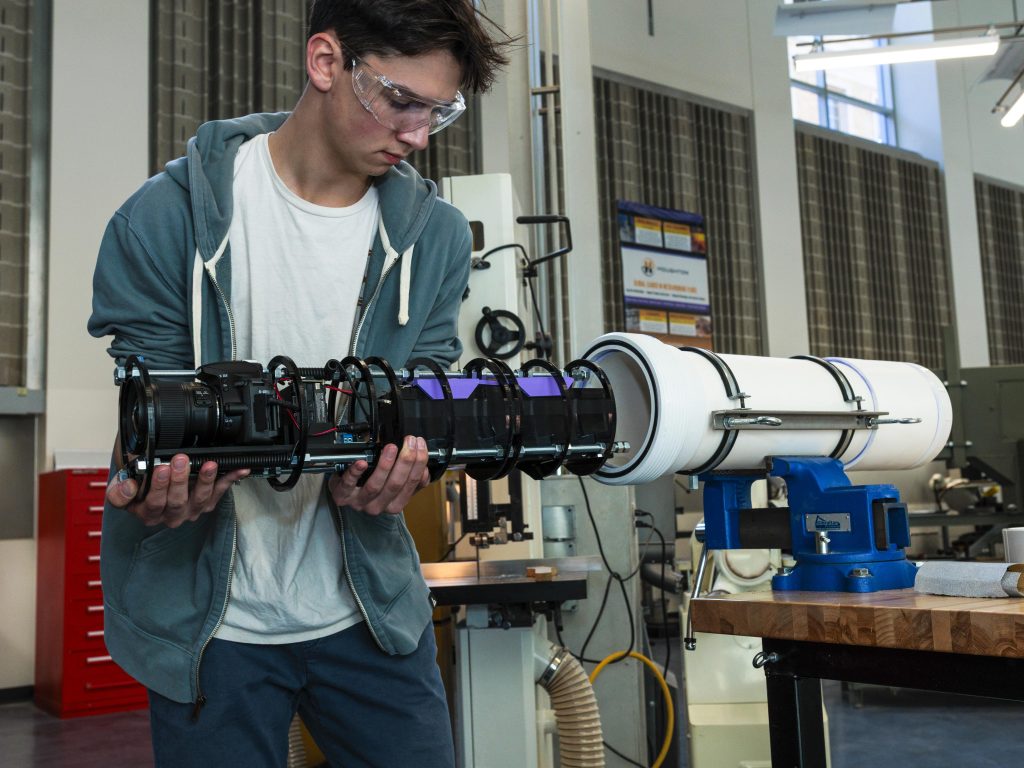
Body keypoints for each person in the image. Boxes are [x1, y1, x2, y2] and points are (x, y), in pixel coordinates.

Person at [88, 2, 511, 765]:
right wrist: (149, 483)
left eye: (438, 113)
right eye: (400, 101)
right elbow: (144, 410)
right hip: (209, 626)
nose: (416, 135)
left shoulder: (437, 237)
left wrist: (402, 470)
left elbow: (418, 394)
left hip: (368, 612)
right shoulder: (163, 221)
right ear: (326, 63)